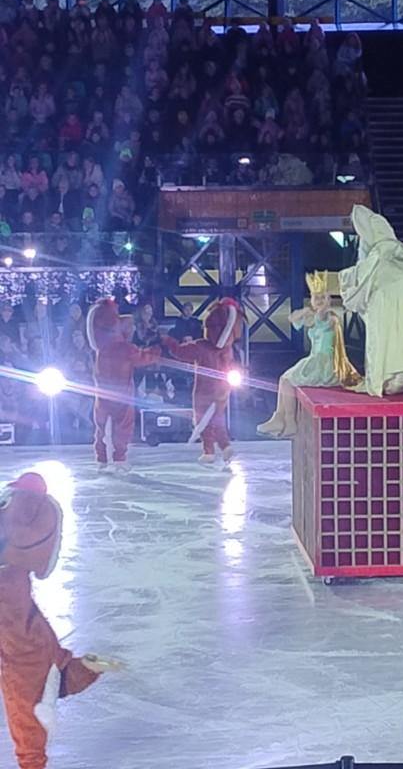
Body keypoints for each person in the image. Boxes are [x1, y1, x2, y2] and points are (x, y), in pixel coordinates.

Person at [0, 471, 121, 769]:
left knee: (28, 699)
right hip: (30, 637)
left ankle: (32, 762)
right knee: (42, 684)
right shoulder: (14, 568)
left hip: (20, 643)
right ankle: (84, 668)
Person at [338, 205, 403, 396]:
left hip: (395, 296)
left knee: (387, 328)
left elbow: (363, 278)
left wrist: (342, 277)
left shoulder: (380, 251)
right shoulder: (396, 246)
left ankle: (391, 379)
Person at [257, 272, 360, 437]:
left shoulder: (329, 317)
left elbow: (320, 316)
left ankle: (289, 421)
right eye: (315, 297)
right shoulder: (314, 317)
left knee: (287, 381)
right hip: (315, 360)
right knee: (284, 379)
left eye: (322, 297)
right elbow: (292, 319)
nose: (318, 300)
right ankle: (280, 418)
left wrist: (321, 307)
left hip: (326, 364)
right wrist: (305, 310)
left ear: (328, 299)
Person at [162, 298, 246, 464]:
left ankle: (209, 451)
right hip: (222, 390)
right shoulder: (228, 350)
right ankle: (225, 445)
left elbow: (180, 352)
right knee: (218, 418)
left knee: (202, 419)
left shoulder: (202, 346)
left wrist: (168, 340)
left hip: (204, 390)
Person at [87, 298, 161, 471]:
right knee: (122, 425)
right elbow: (143, 358)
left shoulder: (101, 350)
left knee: (102, 426)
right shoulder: (124, 348)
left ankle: (102, 458)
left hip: (102, 395)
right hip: (122, 395)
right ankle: (119, 459)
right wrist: (157, 350)